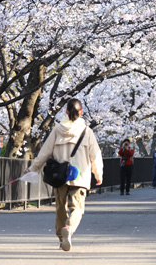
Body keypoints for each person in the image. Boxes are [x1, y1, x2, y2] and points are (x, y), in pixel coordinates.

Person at [28, 98, 103, 252]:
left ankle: (62, 238)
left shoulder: (57, 130)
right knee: (77, 208)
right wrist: (98, 174)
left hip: (60, 176)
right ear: (81, 113)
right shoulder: (87, 132)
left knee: (60, 208)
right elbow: (95, 155)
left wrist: (33, 168)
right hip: (79, 177)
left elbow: (45, 152)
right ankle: (69, 228)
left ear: (66, 111)